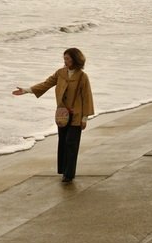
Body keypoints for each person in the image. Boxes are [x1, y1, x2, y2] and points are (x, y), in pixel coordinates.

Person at [12, 48, 94, 182]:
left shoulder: (82, 76)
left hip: (77, 115)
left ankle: (69, 174)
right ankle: (64, 171)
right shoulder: (60, 73)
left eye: (68, 58)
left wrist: (85, 118)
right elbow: (46, 84)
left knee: (71, 143)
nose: (65, 61)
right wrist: (26, 90)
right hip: (62, 115)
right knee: (63, 142)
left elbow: (87, 97)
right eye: (64, 58)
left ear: (75, 59)